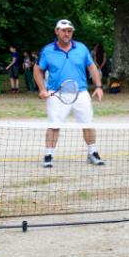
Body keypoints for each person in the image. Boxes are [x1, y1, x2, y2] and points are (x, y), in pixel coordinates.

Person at [34, 19, 104, 168]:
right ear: (56, 31)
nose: (67, 33)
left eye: (69, 31)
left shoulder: (81, 48)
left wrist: (98, 86)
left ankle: (93, 153)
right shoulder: (47, 50)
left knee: (88, 124)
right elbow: (37, 70)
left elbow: (92, 67)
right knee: (54, 126)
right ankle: (48, 155)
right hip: (56, 94)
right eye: (64, 30)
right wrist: (42, 89)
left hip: (81, 93)